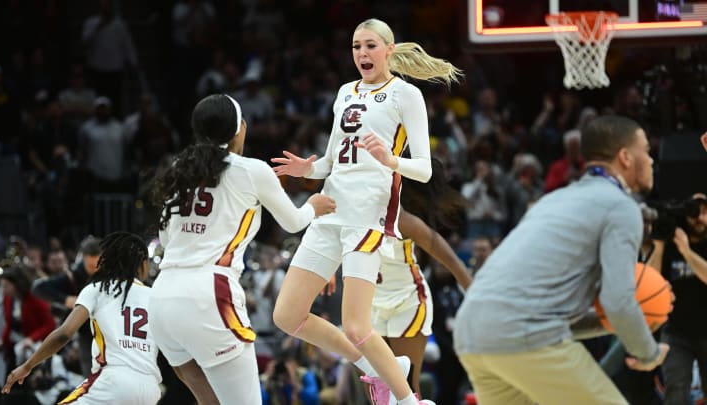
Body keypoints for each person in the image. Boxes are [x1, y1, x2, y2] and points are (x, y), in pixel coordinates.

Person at [271, 18, 461, 405]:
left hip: (368, 215)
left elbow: (424, 169)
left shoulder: (404, 95)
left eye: (371, 46)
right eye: (357, 47)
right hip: (330, 210)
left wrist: (392, 160)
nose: (362, 54)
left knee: (357, 324)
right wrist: (308, 170)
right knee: (286, 317)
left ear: (389, 50)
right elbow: (331, 160)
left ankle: (410, 401)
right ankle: (378, 367)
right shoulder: (344, 92)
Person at [453, 115, 670, 405]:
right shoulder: (621, 207)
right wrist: (648, 353)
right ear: (626, 157)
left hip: (472, 332)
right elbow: (619, 301)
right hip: (524, 332)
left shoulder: (553, 200)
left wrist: (614, 324)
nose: (652, 160)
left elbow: (551, 307)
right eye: (646, 150)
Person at [149, 94, 335, 404]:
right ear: (239, 130)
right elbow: (293, 222)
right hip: (209, 291)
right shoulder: (251, 169)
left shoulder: (180, 167)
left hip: (163, 296)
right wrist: (313, 206)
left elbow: (167, 239)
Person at [2, 232, 162, 404]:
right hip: (150, 389)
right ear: (142, 264)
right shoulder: (155, 297)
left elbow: (64, 334)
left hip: (113, 381)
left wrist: (27, 366)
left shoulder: (97, 289)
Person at [369, 158, 471, 401]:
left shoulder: (403, 220)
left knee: (406, 387)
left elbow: (451, 259)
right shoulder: (352, 215)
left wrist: (473, 291)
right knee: (376, 387)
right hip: (371, 303)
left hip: (408, 301)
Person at [646, 193, 707, 405]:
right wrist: (660, 247)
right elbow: (649, 283)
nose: (700, 218)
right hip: (676, 331)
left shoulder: (685, 247)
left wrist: (687, 252)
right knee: (676, 390)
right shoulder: (672, 243)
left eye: (705, 212)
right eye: (694, 213)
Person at [33, 235, 102, 377]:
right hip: (87, 335)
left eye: (98, 265)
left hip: (110, 333)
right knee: (91, 380)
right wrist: (66, 299)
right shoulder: (73, 277)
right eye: (90, 266)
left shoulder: (109, 275)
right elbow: (38, 288)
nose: (95, 269)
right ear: (83, 258)